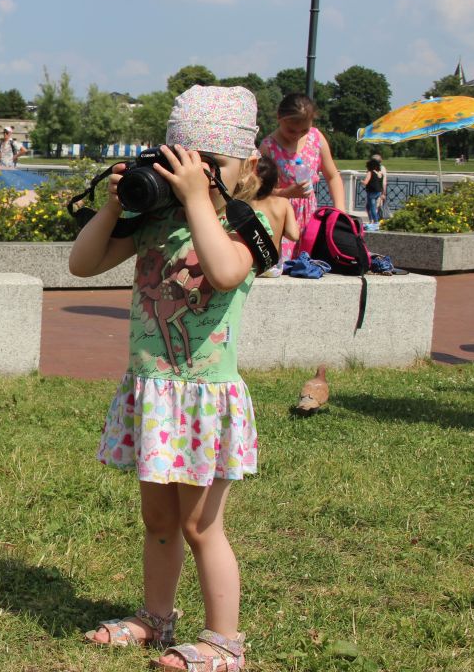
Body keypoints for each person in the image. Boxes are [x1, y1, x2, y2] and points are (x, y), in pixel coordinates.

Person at [69, 85, 265, 672]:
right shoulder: (155, 221)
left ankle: (224, 642)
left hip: (204, 399)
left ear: (246, 166)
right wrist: (114, 207)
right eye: (185, 162)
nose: (194, 176)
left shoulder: (244, 224)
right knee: (158, 521)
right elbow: (82, 263)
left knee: (201, 525)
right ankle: (156, 618)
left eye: (212, 164)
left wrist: (200, 198)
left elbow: (224, 273)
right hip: (155, 393)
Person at [258, 93, 346, 262]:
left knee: (309, 264)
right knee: (283, 265)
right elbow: (257, 190)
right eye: (291, 130)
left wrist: (339, 212)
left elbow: (332, 176)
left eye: (304, 130)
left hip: (310, 218)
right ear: (279, 117)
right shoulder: (268, 147)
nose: (297, 135)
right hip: (282, 218)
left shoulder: (316, 138)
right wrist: (286, 193)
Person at [247, 154, 298, 275]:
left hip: (250, 267)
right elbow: (294, 235)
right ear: (276, 182)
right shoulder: (283, 203)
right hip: (273, 268)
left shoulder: (244, 203)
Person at [363, 154, 387, 230]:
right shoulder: (379, 170)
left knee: (373, 207)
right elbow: (382, 181)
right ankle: (372, 221)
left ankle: (375, 222)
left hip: (373, 191)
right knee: (369, 206)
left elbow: (366, 182)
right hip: (378, 191)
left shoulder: (372, 171)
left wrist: (383, 193)